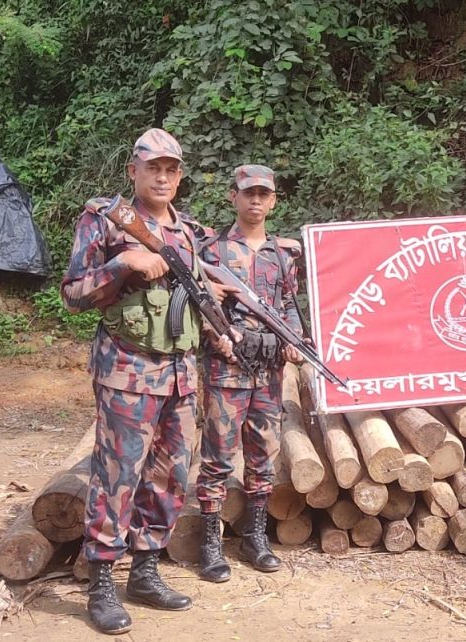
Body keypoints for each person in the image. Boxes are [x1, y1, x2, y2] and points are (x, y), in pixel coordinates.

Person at [61, 128, 237, 634]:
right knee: (117, 477)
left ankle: (144, 570)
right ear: (132, 171)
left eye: (171, 169)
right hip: (127, 371)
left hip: (182, 376)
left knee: (169, 477)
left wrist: (217, 326)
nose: (162, 176)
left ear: (180, 177)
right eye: (152, 167)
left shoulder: (190, 233)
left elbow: (195, 301)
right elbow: (72, 295)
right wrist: (120, 263)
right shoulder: (105, 220)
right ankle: (100, 581)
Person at [195, 164, 306, 583]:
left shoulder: (283, 252)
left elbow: (290, 304)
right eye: (248, 193)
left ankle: (255, 538)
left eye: (263, 194)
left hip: (269, 369)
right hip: (227, 369)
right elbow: (199, 304)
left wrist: (295, 339)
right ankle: (210, 543)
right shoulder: (213, 251)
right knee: (218, 459)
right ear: (233, 197)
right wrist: (216, 334)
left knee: (263, 455)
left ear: (273, 200)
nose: (255, 200)